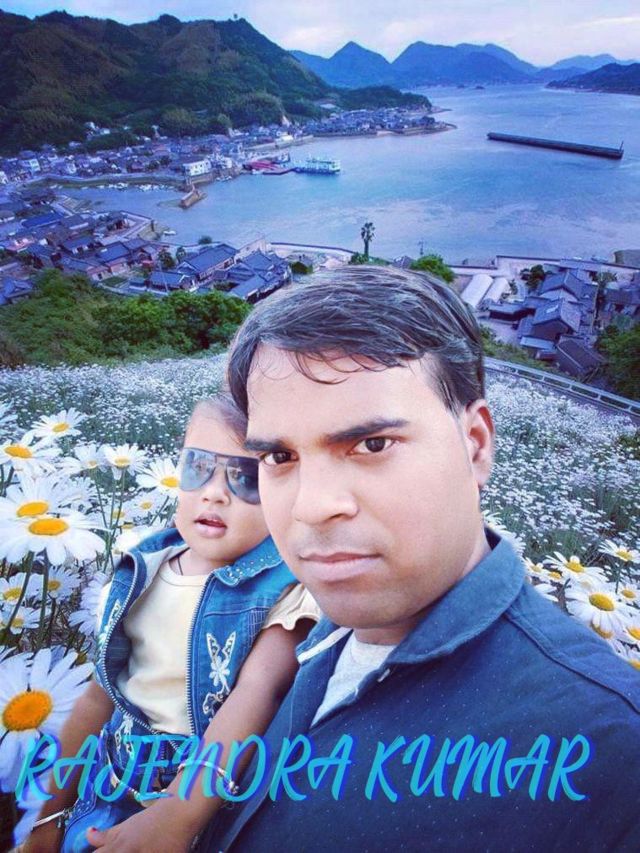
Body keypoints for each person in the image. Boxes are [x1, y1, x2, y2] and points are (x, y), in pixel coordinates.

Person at [197, 266, 640, 851]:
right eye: (279, 457)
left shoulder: (608, 751)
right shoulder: (306, 630)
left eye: (372, 444)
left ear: (475, 446)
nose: (310, 507)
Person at [24, 393, 320, 853]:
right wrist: (48, 816)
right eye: (198, 467)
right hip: (108, 787)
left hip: (203, 808)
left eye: (246, 477)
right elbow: (98, 699)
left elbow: (260, 691)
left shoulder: (285, 587)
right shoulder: (140, 572)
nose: (214, 492)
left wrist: (177, 818)